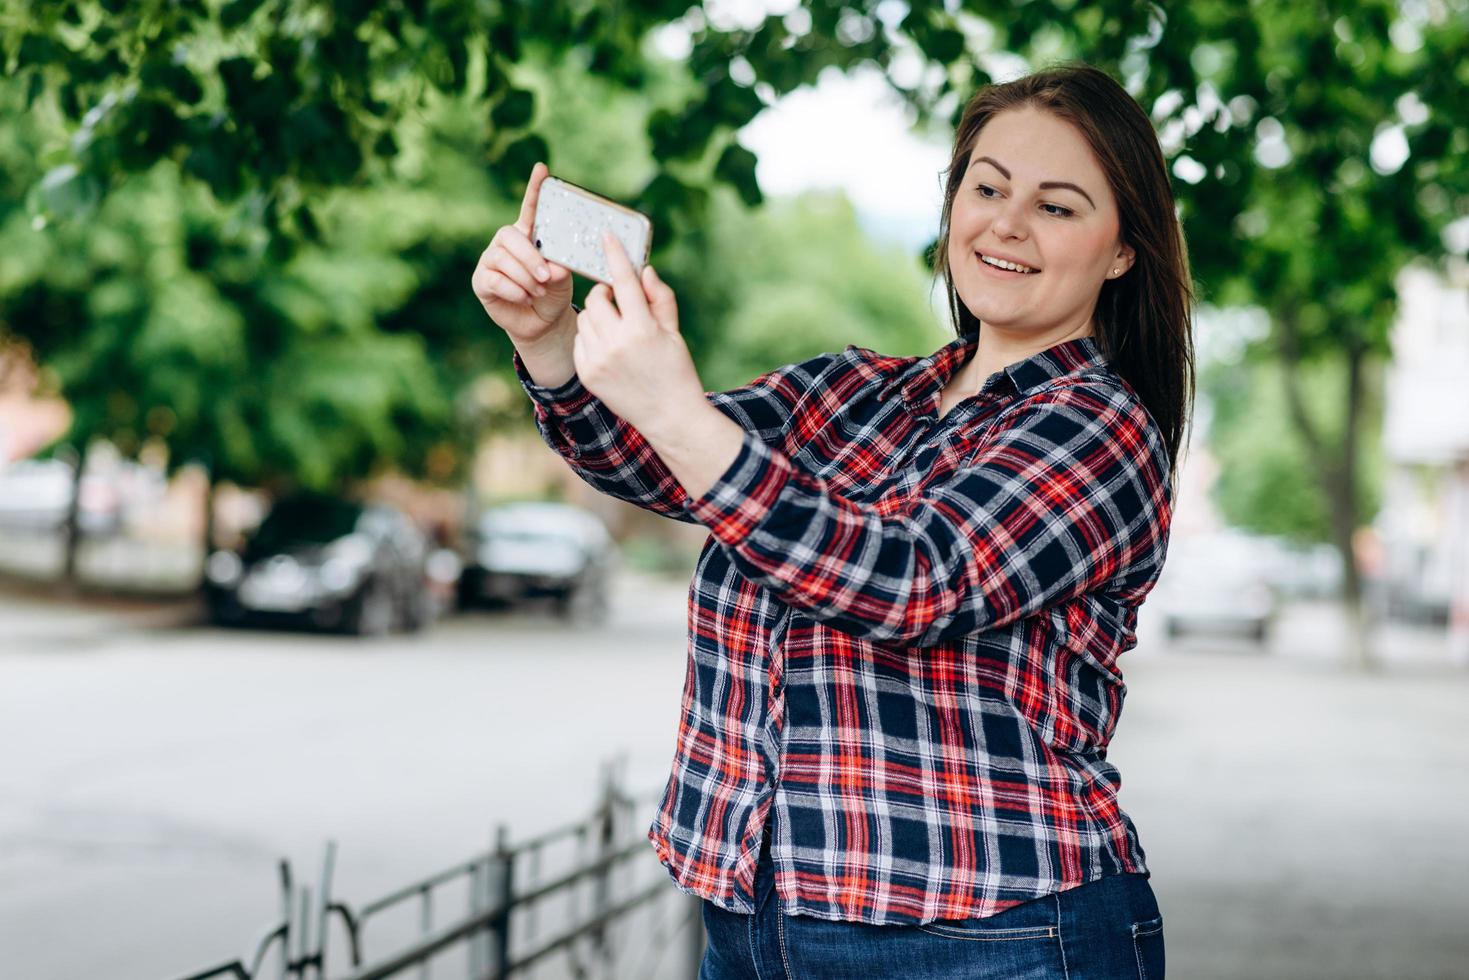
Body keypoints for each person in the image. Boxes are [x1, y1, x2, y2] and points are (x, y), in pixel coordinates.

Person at [473, 61, 1193, 980]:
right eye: (987, 187)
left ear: (1123, 248)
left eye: (1056, 206)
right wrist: (548, 342)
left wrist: (683, 415)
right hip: (754, 923)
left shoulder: (1099, 432)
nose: (1007, 223)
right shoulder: (857, 391)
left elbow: (913, 580)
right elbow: (657, 458)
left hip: (993, 938)